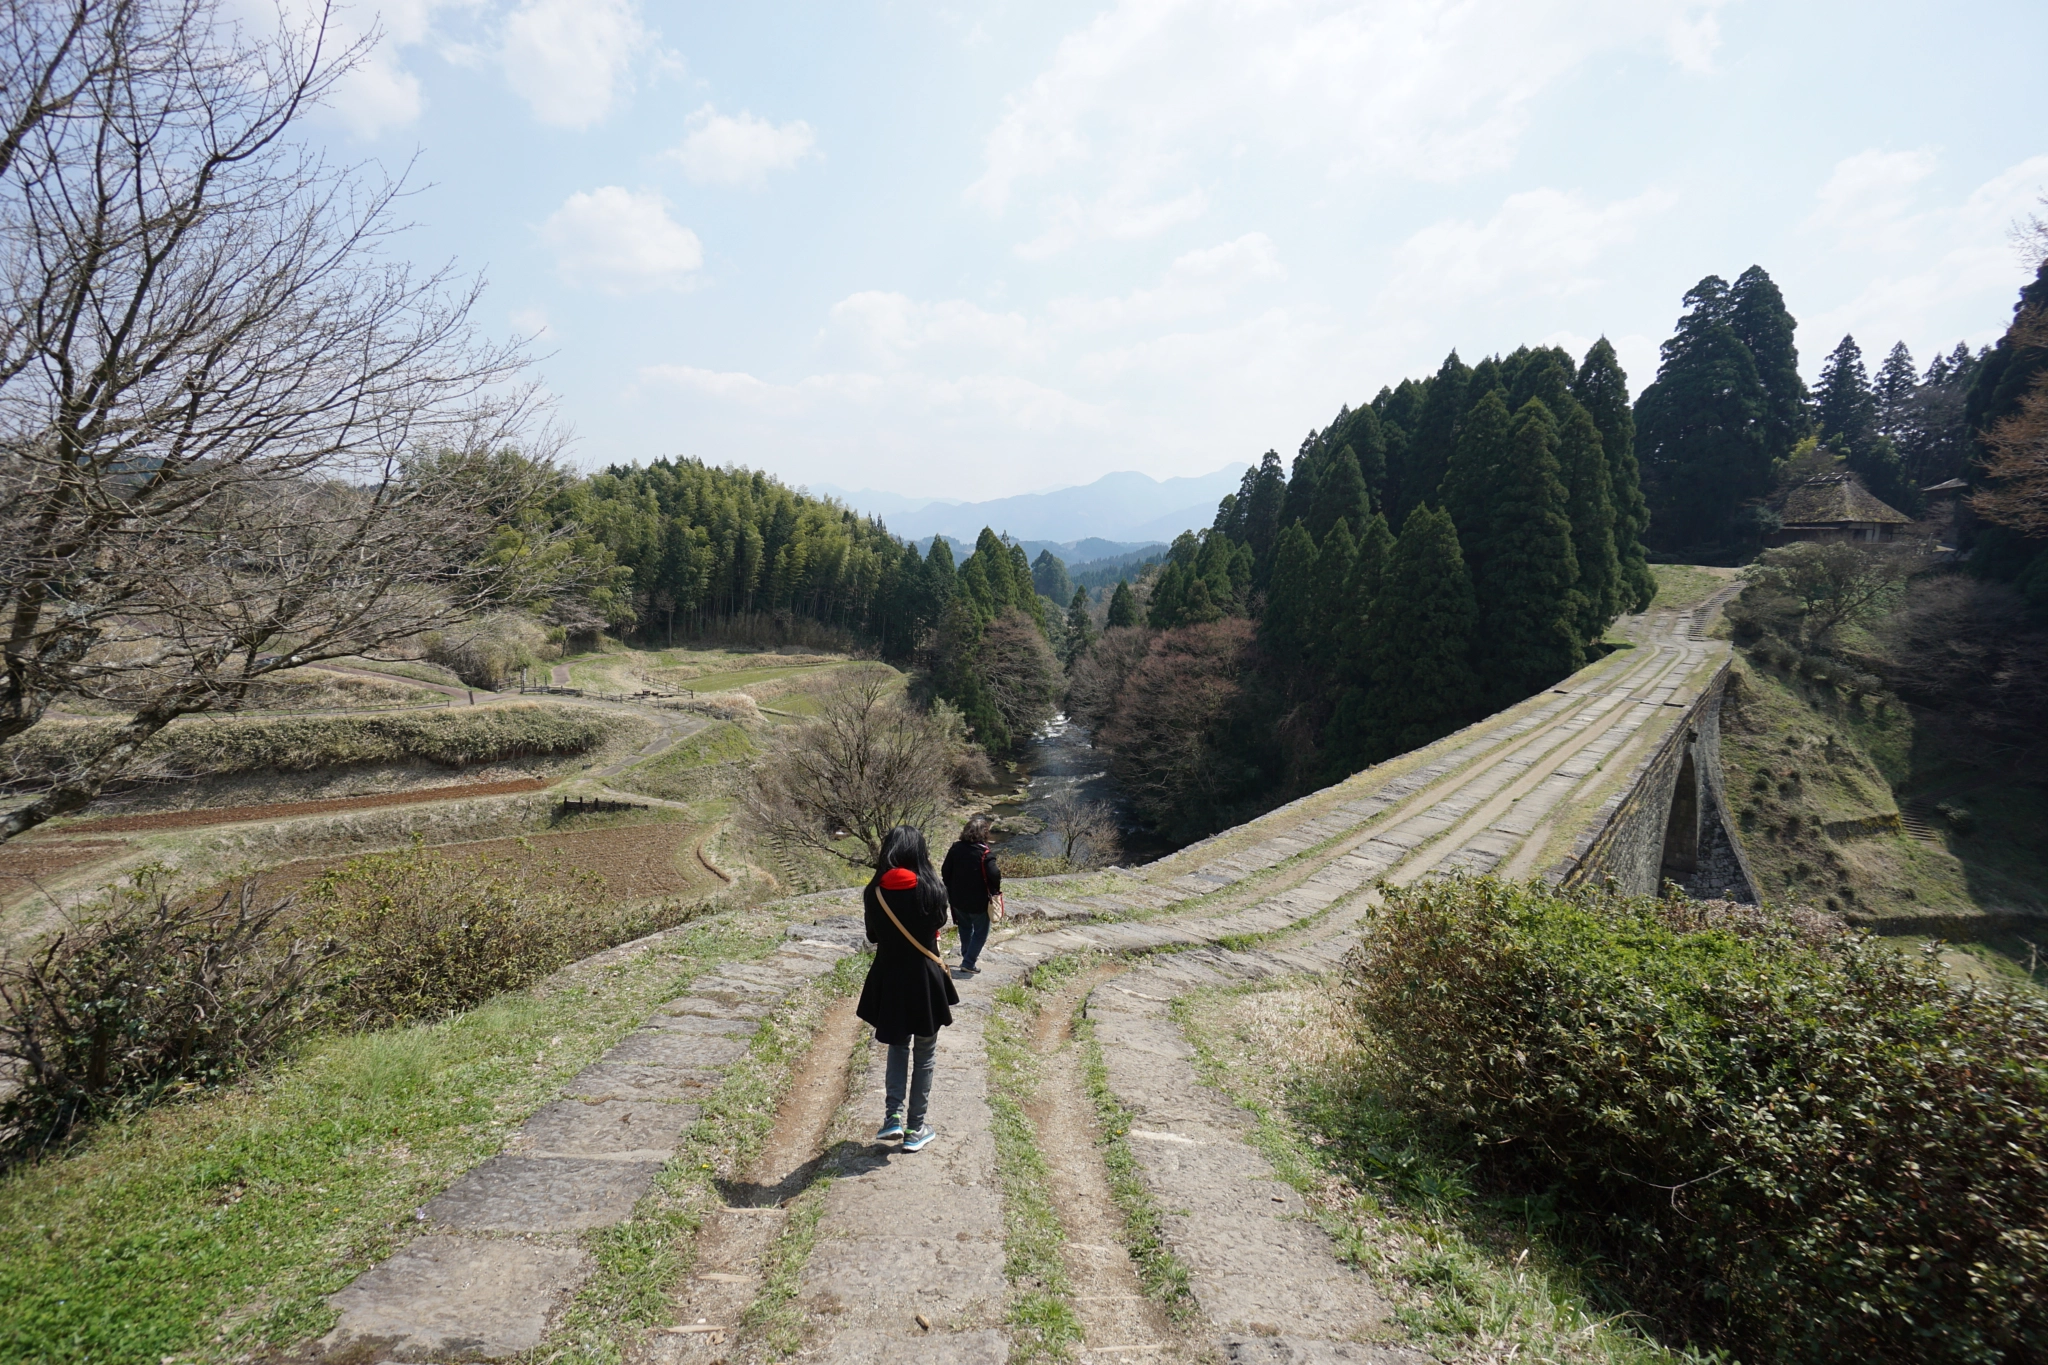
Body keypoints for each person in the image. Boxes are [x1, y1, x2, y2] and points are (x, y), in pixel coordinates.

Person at [856, 825, 959, 1151]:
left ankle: (893, 1119)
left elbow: (873, 936)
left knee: (897, 1047)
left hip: (890, 978)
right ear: (919, 852)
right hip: (925, 980)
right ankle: (916, 1130)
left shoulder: (874, 892)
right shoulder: (932, 889)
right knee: (925, 1053)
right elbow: (939, 925)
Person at [940, 814, 1004, 974]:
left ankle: (966, 955)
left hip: (957, 899)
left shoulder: (955, 848)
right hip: (979, 901)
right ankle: (968, 962)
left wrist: (951, 888)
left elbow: (945, 871)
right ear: (984, 833)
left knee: (965, 927)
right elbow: (994, 873)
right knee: (981, 932)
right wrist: (994, 889)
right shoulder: (984, 853)